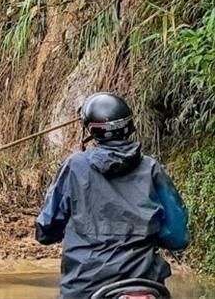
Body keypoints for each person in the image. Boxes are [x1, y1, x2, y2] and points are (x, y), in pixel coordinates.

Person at [36, 92, 189, 299]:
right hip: (145, 285)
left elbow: (45, 231)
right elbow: (178, 237)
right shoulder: (152, 169)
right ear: (130, 126)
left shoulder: (75, 166)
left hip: (84, 287)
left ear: (91, 131)